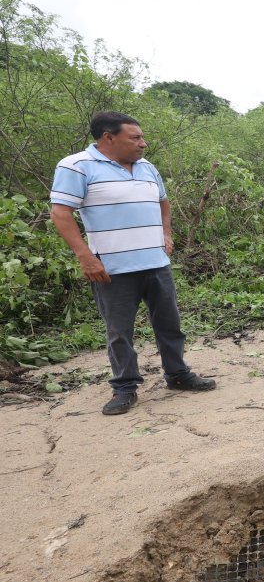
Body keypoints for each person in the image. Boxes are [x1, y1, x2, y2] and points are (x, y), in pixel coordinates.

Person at [50, 111, 215, 415]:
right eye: (135, 137)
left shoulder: (147, 168)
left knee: (170, 324)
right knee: (119, 332)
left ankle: (178, 375)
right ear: (108, 138)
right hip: (112, 269)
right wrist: (85, 256)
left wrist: (166, 233)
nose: (143, 143)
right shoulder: (76, 166)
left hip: (155, 263)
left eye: (142, 137)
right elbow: (61, 212)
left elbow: (163, 202)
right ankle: (125, 388)